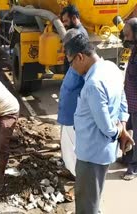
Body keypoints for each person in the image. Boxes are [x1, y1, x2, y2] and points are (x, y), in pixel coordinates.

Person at [63, 29, 134, 214]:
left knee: (87, 205)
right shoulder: (110, 67)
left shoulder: (94, 83)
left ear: (80, 57)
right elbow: (123, 101)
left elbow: (106, 127)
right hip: (102, 153)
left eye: (70, 62)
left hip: (91, 154)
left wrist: (118, 131)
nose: (71, 68)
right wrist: (124, 126)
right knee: (94, 197)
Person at [57, 4, 88, 176]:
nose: (65, 25)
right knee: (68, 139)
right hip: (70, 104)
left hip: (74, 106)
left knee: (72, 140)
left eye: (67, 22)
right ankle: (71, 167)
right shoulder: (76, 34)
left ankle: (74, 171)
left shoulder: (79, 36)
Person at [121, 17, 137, 180]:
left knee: (136, 135)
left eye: (128, 35)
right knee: (128, 132)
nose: (125, 39)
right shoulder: (135, 49)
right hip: (130, 101)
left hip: (136, 103)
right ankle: (127, 157)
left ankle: (134, 167)